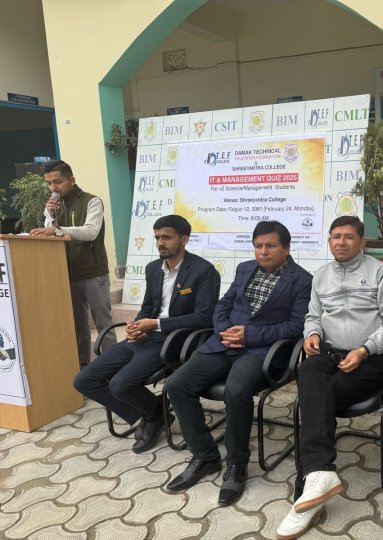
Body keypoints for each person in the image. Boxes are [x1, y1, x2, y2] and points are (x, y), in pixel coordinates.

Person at [276, 215, 383, 540]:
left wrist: (364, 349)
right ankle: (319, 475)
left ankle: (305, 494)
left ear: (362, 242)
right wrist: (312, 334)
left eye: (349, 237)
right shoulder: (321, 276)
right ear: (329, 241)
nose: (341, 242)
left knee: (316, 398)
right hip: (330, 352)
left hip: (373, 357)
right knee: (309, 370)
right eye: (336, 236)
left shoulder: (381, 273)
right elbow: (312, 316)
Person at [165, 220, 312, 507]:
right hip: (224, 343)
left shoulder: (302, 279)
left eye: (270, 246)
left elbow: (296, 326)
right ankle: (205, 456)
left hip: (263, 351)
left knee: (236, 390)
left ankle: (236, 463)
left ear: (286, 248)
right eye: (258, 246)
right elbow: (223, 305)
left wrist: (249, 335)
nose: (263, 252)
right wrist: (223, 330)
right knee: (177, 384)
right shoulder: (245, 268)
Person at [73, 215, 220, 453]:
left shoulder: (204, 271)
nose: (160, 242)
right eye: (157, 237)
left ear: (184, 239)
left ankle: (153, 415)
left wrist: (155, 324)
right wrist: (136, 326)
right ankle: (155, 413)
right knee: (84, 380)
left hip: (175, 340)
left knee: (120, 384)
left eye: (166, 237)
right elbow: (148, 307)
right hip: (146, 337)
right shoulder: (153, 269)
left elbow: (204, 318)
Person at [30, 160, 115, 368]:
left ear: (72, 180)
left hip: (93, 272)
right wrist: (50, 215)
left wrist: (58, 231)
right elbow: (49, 231)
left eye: (57, 182)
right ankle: (83, 368)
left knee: (103, 323)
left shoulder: (92, 201)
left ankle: (113, 368)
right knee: (78, 325)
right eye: (48, 183)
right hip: (66, 273)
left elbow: (90, 232)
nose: (53, 188)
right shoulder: (55, 205)